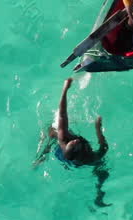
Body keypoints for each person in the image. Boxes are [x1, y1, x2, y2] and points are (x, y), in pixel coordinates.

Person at [34, 78, 110, 207]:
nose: (75, 140)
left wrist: (65, 89)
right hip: (63, 155)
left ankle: (99, 196)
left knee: (53, 130)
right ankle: (43, 154)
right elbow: (104, 146)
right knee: (51, 133)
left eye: (73, 142)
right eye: (76, 142)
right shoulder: (89, 155)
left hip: (69, 156)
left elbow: (62, 115)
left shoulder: (67, 140)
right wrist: (98, 128)